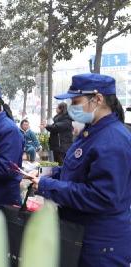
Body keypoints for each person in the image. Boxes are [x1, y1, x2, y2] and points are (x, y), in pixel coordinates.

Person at [26, 73, 131, 267]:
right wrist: (43, 175)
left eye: (76, 101)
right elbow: (74, 171)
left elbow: (102, 197)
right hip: (81, 236)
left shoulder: (113, 140)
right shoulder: (91, 133)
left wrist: (49, 186)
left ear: (98, 99)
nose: (72, 107)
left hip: (101, 245)